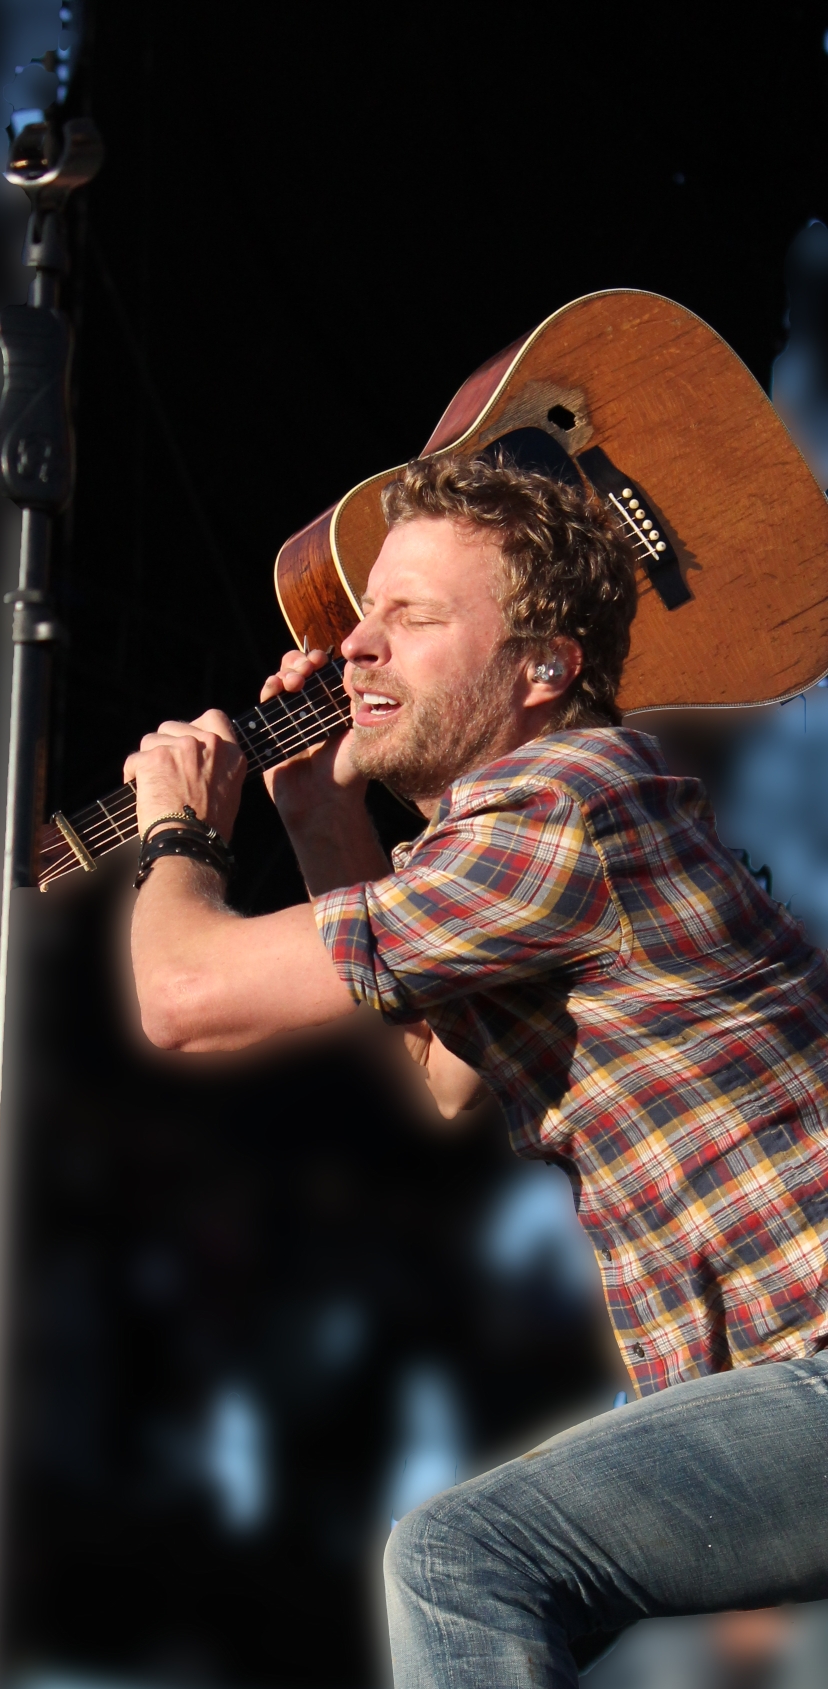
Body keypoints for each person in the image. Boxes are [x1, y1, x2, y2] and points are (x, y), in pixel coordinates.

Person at [121, 454, 828, 1686]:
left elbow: (182, 998)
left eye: (412, 618)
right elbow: (442, 1075)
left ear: (543, 668)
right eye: (362, 621)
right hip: (778, 1377)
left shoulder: (557, 808)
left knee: (463, 1562)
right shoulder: (540, 840)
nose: (356, 650)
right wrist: (314, 817)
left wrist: (176, 830)